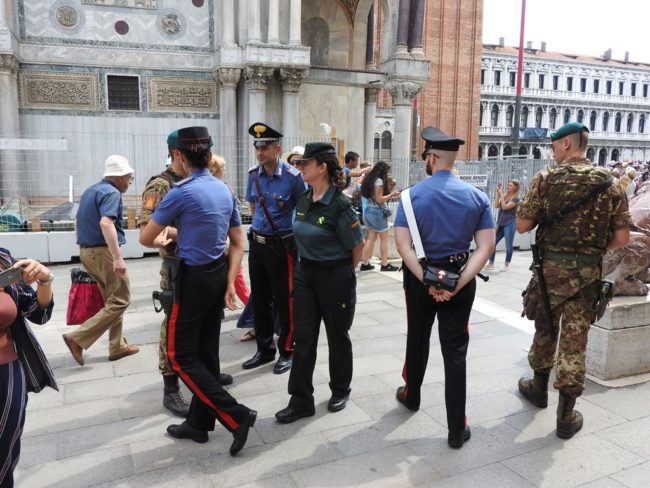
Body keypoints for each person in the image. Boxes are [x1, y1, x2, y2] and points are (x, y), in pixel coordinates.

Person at [139, 126, 256, 456]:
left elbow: (146, 238)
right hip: (217, 274)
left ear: (179, 155)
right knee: (206, 352)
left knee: (180, 356)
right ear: (208, 154)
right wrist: (231, 281)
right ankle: (199, 424)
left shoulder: (181, 191)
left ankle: (237, 415)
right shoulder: (223, 189)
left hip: (191, 278)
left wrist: (178, 231)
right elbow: (238, 242)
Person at [516, 122, 631, 439]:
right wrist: (593, 250)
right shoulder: (610, 183)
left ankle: (538, 389)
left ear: (566, 144)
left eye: (554, 146)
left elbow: (523, 225)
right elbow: (621, 238)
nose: (553, 152)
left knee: (544, 329)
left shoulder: (546, 178)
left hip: (548, 274)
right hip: (586, 277)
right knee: (574, 342)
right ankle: (566, 416)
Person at [393, 127, 495, 449]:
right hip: (460, 280)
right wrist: (457, 282)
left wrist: (427, 279)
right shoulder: (477, 197)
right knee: (455, 353)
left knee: (417, 338)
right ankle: (456, 427)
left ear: (432, 157)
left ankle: (411, 396)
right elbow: (485, 247)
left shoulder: (410, 197)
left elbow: (403, 246)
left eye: (426, 156)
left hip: (419, 279)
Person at [274, 143, 365, 424]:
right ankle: (301, 400)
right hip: (305, 276)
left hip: (335, 276)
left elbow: (358, 246)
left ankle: (340, 389)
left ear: (322, 167)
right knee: (303, 338)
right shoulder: (303, 199)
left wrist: (341, 273)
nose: (300, 168)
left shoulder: (339, 204)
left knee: (338, 335)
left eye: (305, 163)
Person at [63, 155, 139, 366]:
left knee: (112, 300)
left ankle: (117, 346)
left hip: (87, 250)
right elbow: (106, 223)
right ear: (120, 177)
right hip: (103, 251)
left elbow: (78, 221)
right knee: (121, 299)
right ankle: (77, 338)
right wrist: (116, 257)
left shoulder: (91, 190)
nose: (130, 182)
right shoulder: (112, 193)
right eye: (129, 178)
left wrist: (83, 243)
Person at [242, 123, 305, 374]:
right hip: (257, 245)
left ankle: (287, 351)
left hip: (281, 247)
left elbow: (303, 211)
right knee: (260, 299)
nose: (260, 152)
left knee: (284, 300)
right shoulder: (254, 175)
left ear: (277, 148)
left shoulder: (293, 178)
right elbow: (253, 208)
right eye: (257, 147)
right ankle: (264, 349)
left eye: (265, 147)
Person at [0, 249, 56, 488]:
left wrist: (44, 279)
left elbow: (37, 313)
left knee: (4, 454)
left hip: (7, 372)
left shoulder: (3, 259)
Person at [207, 154, 255, 342]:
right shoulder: (223, 190)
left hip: (224, 244)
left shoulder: (216, 189)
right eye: (222, 168)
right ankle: (251, 308)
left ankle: (251, 309)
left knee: (237, 279)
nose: (225, 171)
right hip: (224, 244)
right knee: (237, 279)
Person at [358, 161, 400, 271]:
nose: (388, 174)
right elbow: (379, 199)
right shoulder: (379, 181)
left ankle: (365, 263)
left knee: (371, 239)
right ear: (383, 171)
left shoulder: (369, 180)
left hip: (368, 211)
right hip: (377, 212)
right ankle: (385, 264)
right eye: (387, 172)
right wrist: (392, 195)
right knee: (384, 239)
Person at [485, 180, 520, 271]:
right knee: (492, 243)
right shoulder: (505, 196)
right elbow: (496, 205)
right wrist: (498, 194)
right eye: (508, 185)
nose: (508, 186)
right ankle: (491, 263)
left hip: (510, 224)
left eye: (510, 185)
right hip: (500, 223)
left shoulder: (516, 199)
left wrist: (501, 195)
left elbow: (505, 207)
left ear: (516, 187)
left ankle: (507, 264)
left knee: (508, 246)